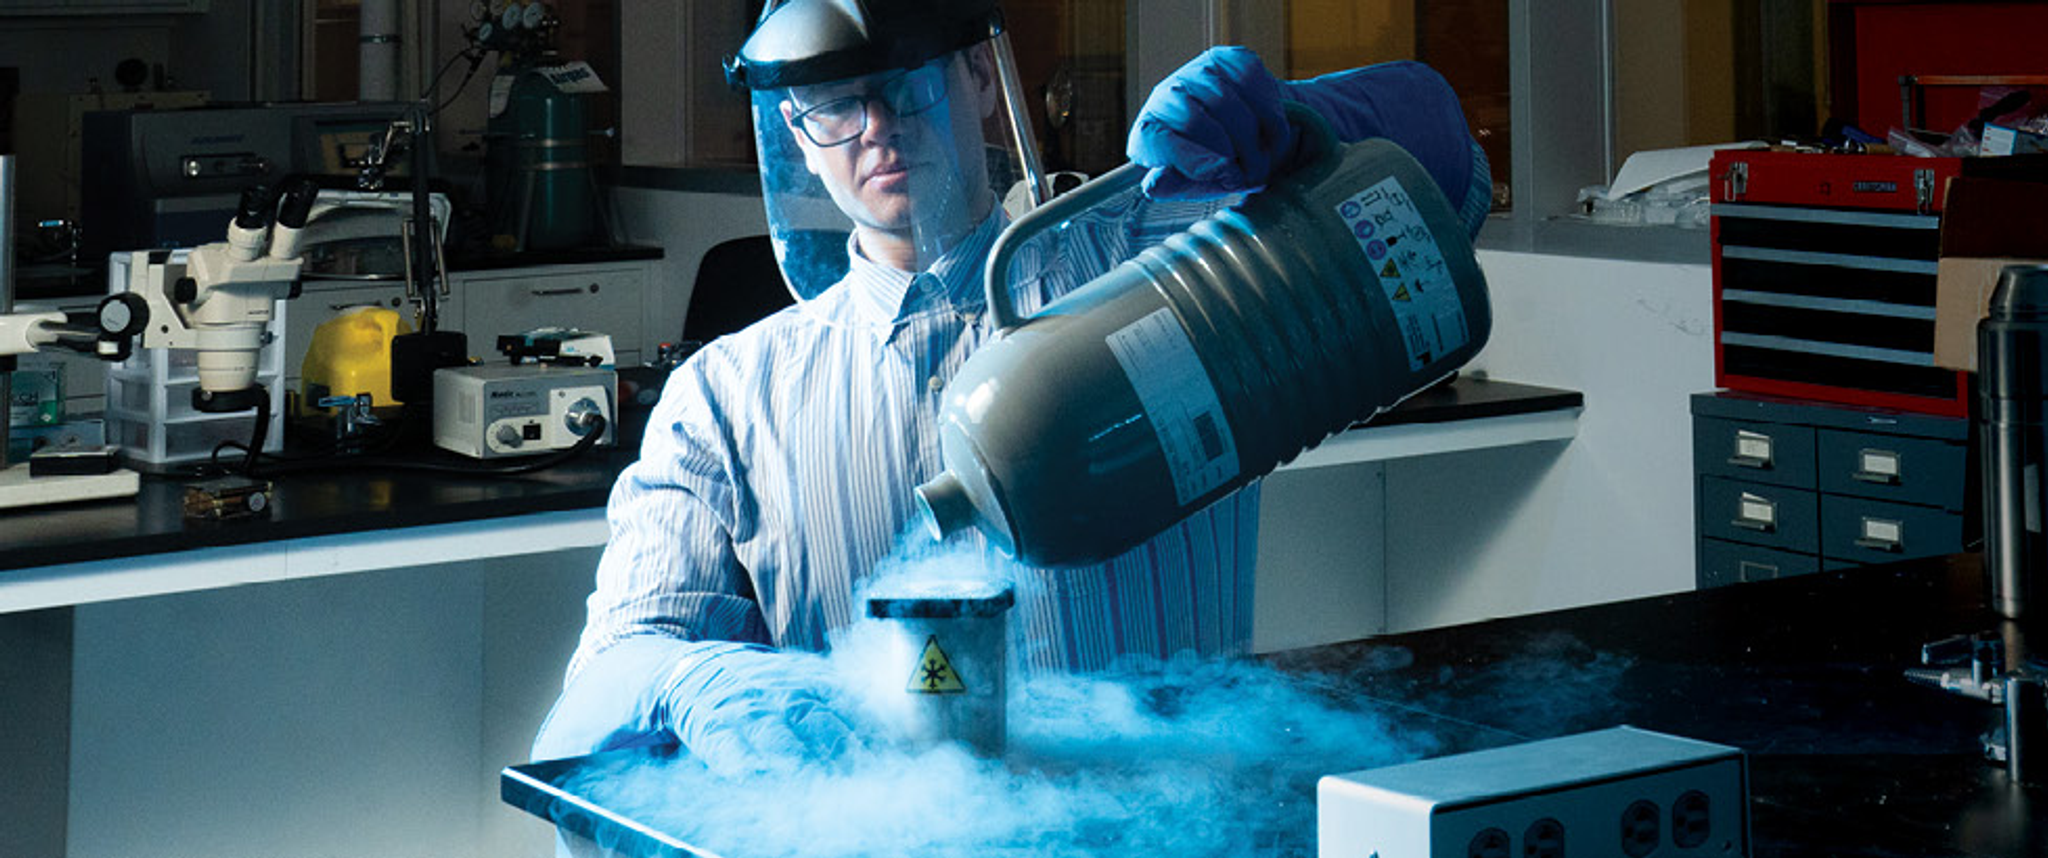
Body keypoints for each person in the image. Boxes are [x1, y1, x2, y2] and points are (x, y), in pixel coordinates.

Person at [533, 0, 1491, 780]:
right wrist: (688, 681)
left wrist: (1310, 124)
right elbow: (591, 703)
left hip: (1182, 826)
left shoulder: (1152, 261)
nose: (877, 129)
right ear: (794, 130)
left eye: (906, 82)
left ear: (981, 77)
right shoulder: (728, 396)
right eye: (834, 104)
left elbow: (1447, 177)